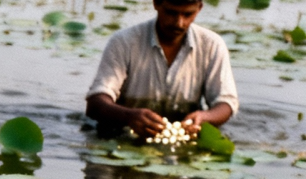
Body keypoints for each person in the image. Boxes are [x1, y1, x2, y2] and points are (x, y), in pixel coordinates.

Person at [85, 0, 237, 139]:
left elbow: (225, 104)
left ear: (199, 8)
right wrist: (128, 116)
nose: (179, 23)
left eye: (187, 14)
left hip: (182, 137)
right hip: (123, 134)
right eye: (171, 13)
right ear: (156, 3)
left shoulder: (212, 45)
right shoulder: (124, 42)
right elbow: (96, 103)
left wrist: (204, 117)